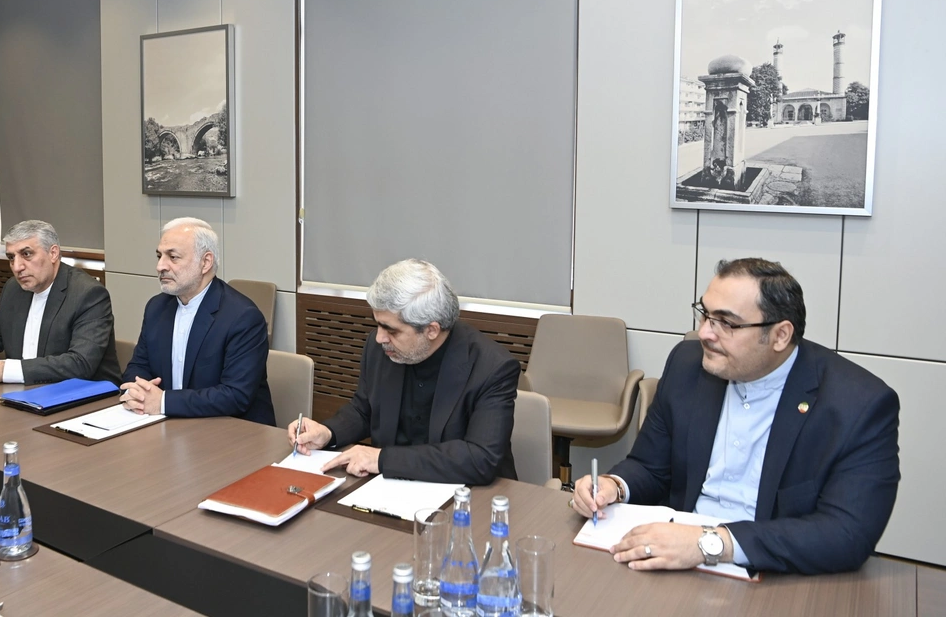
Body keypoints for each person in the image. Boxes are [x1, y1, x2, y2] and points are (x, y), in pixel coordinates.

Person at [570, 258, 900, 575]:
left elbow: (846, 534)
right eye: (705, 314)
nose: (705, 333)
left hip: (774, 574)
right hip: (673, 556)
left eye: (726, 323)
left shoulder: (859, 405)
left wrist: (710, 543)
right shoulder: (688, 365)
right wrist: (613, 486)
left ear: (780, 336)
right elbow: (650, 466)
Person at [288, 259, 519, 484]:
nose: (380, 338)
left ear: (431, 330)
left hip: (468, 494)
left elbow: (480, 458)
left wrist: (382, 459)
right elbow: (364, 410)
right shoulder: (380, 347)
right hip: (390, 488)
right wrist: (328, 432)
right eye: (378, 325)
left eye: (392, 330)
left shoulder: (492, 368)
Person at [120, 218, 274, 425]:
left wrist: (162, 402)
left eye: (173, 257)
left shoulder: (243, 317)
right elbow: (138, 366)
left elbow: (235, 395)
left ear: (205, 262)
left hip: (231, 430)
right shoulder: (156, 307)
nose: (160, 266)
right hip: (168, 424)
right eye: (159, 256)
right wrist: (138, 393)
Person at [0, 220, 119, 385]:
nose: (17, 267)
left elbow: (79, 363)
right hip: (24, 392)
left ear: (53, 253)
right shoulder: (14, 288)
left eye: (26, 254)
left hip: (85, 395)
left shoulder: (88, 294)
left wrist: (4, 370)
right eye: (11, 257)